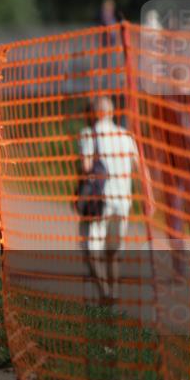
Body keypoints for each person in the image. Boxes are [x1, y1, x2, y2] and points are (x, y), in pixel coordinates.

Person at [78, 96, 149, 300]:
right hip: (123, 202)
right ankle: (115, 294)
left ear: (92, 114)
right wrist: (149, 196)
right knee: (115, 251)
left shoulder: (89, 134)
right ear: (111, 113)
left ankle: (104, 292)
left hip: (99, 201)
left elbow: (86, 168)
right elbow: (140, 167)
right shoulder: (126, 136)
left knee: (91, 249)